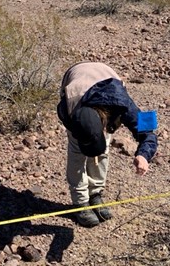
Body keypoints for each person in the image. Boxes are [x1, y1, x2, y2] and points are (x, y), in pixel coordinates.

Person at [57, 62, 158, 228]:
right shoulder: (68, 107)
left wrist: (143, 155)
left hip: (105, 76)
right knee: (77, 157)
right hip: (76, 80)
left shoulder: (124, 104)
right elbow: (76, 130)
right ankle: (80, 203)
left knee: (103, 151)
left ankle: (95, 193)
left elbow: (149, 132)